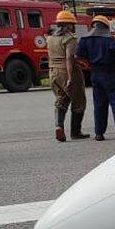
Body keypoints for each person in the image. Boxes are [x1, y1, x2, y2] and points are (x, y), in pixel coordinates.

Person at [76, 15, 115, 141]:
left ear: (93, 25)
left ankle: (99, 133)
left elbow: (78, 57)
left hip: (95, 75)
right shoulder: (109, 39)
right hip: (109, 74)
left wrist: (89, 65)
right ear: (105, 26)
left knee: (99, 104)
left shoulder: (85, 38)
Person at [47, 10, 88, 142]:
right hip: (66, 72)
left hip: (53, 72)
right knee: (79, 102)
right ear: (69, 25)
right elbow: (69, 58)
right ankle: (76, 132)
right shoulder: (70, 38)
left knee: (61, 100)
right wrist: (70, 77)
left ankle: (59, 126)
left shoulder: (50, 38)